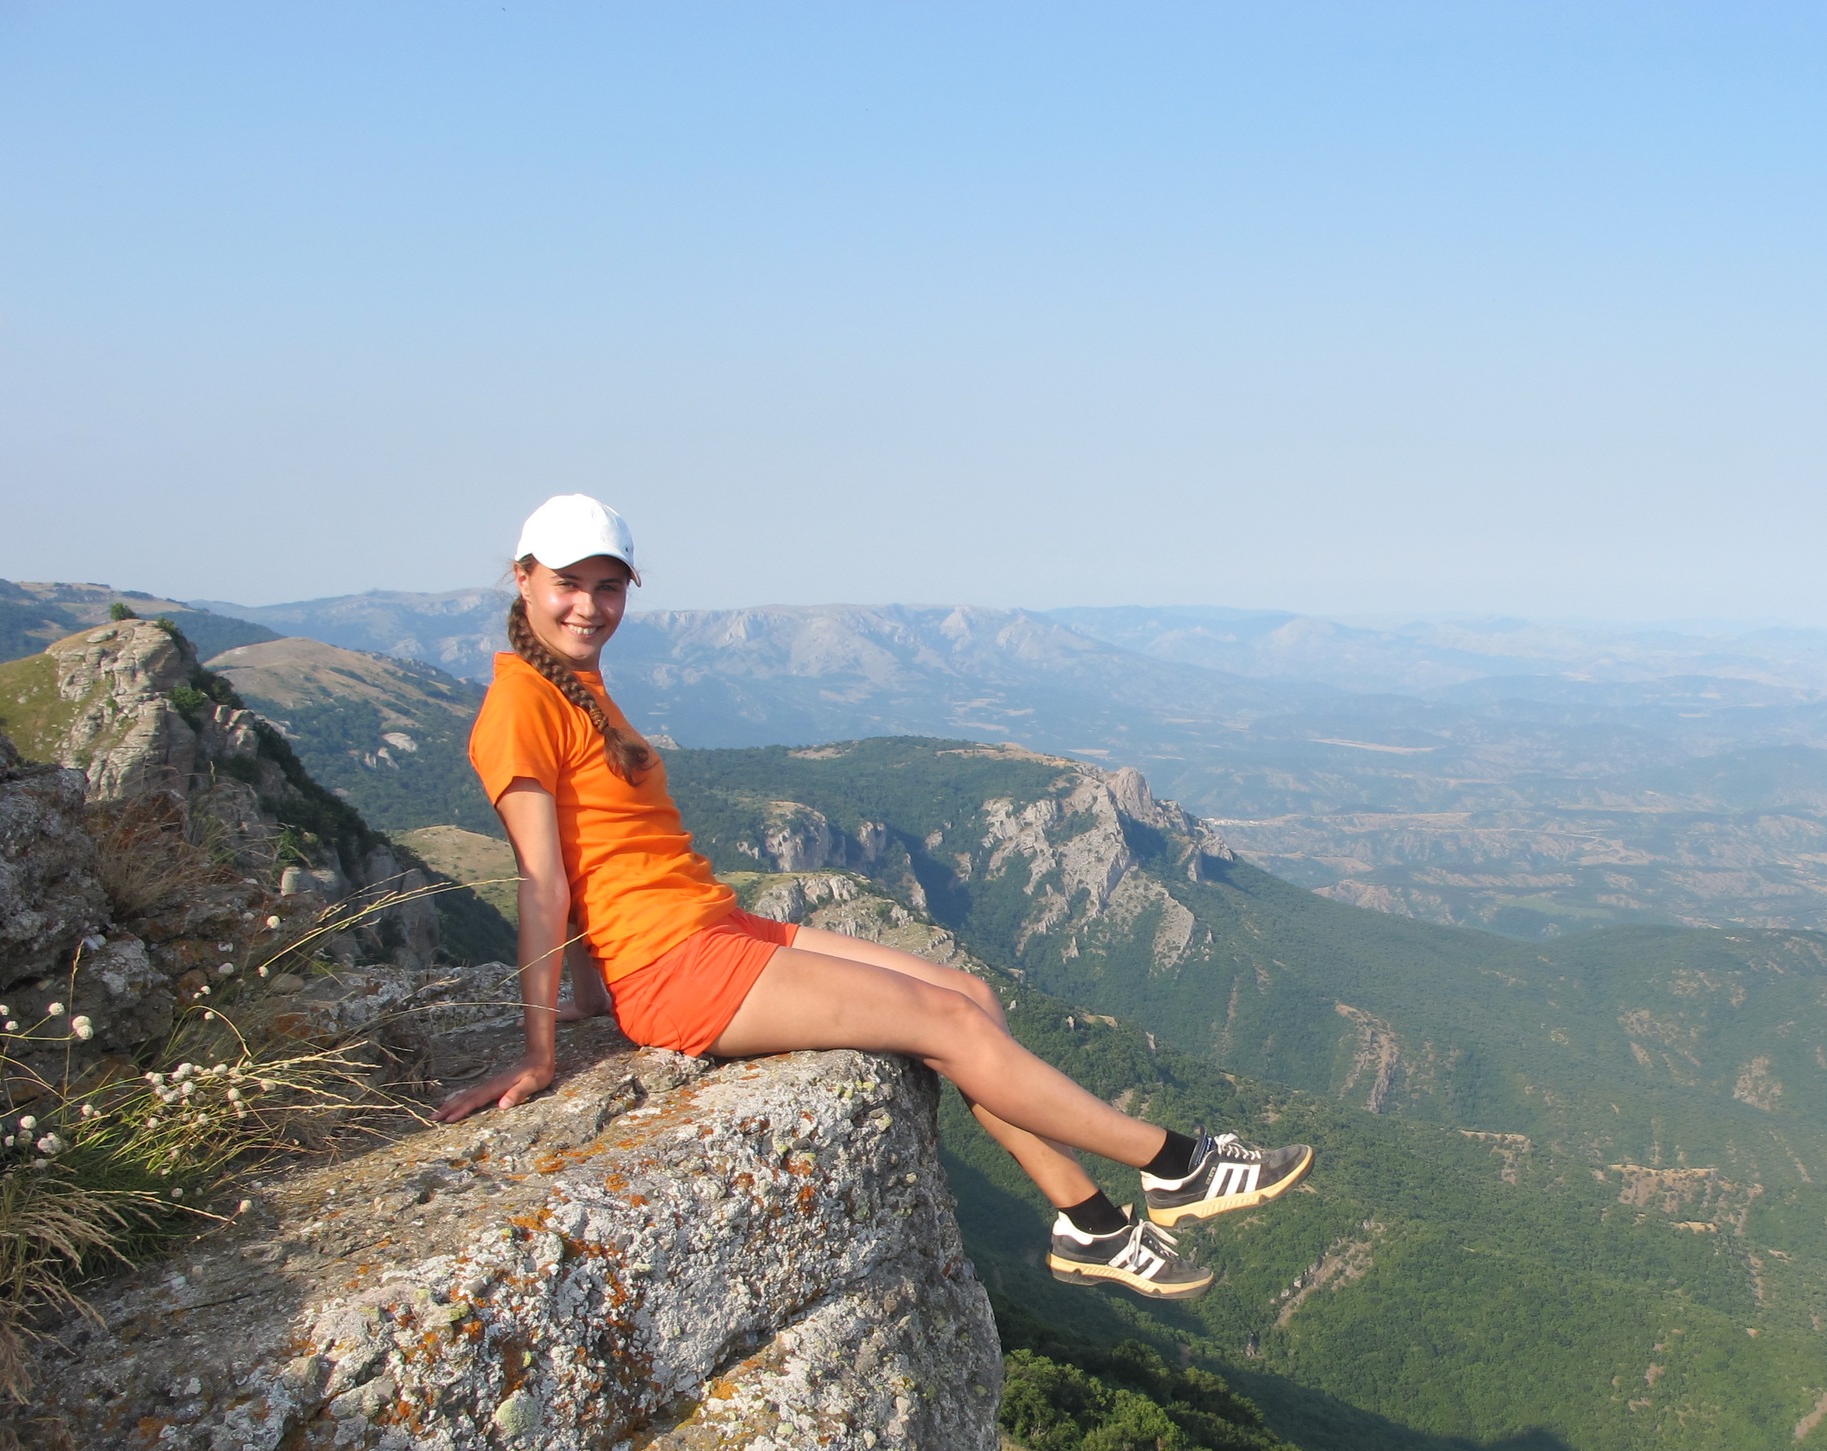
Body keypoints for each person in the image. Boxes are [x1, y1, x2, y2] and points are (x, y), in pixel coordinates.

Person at [433, 496, 1310, 1299]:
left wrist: (592, 992)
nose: (589, 607)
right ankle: (1176, 1164)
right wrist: (540, 1052)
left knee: (969, 994)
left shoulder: (575, 683)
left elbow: (596, 857)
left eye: (608, 587)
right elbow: (543, 879)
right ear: (523, 580)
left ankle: (1091, 1225)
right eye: (569, 584)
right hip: (678, 967)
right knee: (948, 1026)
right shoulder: (519, 704)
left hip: (711, 928)